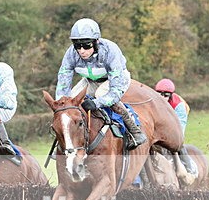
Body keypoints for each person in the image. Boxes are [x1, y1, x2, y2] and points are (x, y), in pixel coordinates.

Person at [55, 18, 147, 149]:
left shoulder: (110, 50)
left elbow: (115, 91)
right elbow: (63, 81)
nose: (81, 50)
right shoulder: (71, 54)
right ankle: (67, 142)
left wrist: (96, 103)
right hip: (90, 80)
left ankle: (135, 131)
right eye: (77, 46)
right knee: (70, 101)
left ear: (96, 41)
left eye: (86, 45)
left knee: (100, 93)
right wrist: (62, 104)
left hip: (115, 79)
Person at [154, 78, 197, 176]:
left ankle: (190, 169)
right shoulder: (153, 100)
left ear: (171, 95)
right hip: (163, 120)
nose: (162, 97)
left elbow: (178, 129)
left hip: (177, 119)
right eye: (160, 94)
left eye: (166, 95)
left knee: (177, 142)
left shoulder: (179, 106)